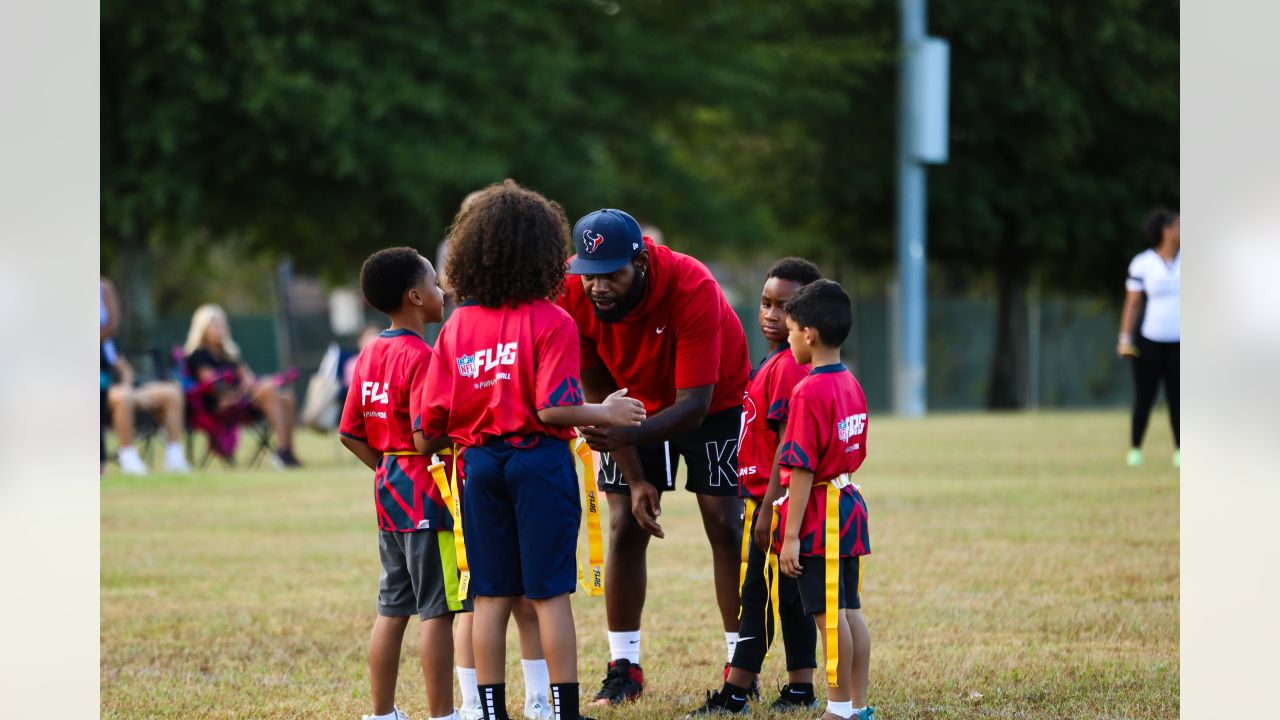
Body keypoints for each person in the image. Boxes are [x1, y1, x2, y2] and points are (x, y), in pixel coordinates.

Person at [418, 180, 645, 720]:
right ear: (546, 252)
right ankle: (564, 711)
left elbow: (430, 424)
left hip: (479, 466)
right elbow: (553, 409)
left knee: (490, 597)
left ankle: (492, 710)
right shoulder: (553, 320)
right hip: (538, 464)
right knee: (547, 595)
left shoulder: (457, 326)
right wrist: (607, 412)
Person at [557, 209, 751, 706]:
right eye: (589, 274)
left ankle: (739, 665)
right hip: (629, 402)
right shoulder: (571, 290)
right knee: (625, 524)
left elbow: (695, 405)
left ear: (640, 262)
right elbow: (599, 386)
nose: (598, 287)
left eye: (613, 274)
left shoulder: (693, 286)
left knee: (724, 522)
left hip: (712, 401)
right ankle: (624, 668)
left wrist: (617, 427)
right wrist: (636, 475)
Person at [686, 258, 824, 716]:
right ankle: (801, 687)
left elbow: (788, 443)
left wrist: (766, 509)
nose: (769, 314)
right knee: (789, 596)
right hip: (783, 502)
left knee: (757, 597)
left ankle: (735, 693)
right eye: (765, 303)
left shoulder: (787, 368)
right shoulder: (778, 360)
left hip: (775, 502)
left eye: (783, 307)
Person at [338, 247, 466, 720]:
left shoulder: (371, 352)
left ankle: (382, 714)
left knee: (392, 608)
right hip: (428, 496)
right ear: (415, 296)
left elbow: (349, 432)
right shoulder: (423, 356)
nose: (443, 291)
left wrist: (387, 466)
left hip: (390, 495)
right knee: (438, 611)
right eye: (435, 283)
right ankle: (443, 715)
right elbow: (424, 437)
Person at [774, 279, 873, 720]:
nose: (789, 338)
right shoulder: (850, 381)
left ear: (809, 335)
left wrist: (790, 535)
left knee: (828, 618)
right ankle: (857, 704)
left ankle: (838, 709)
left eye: (792, 331)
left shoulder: (808, 390)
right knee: (849, 610)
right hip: (849, 504)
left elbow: (801, 468)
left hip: (821, 515)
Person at [184, 303, 302, 468]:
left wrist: (254, 385)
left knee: (287, 397)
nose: (220, 328)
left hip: (243, 400)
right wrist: (244, 390)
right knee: (267, 390)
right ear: (203, 328)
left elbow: (249, 379)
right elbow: (214, 386)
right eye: (215, 324)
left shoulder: (230, 354)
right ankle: (282, 452)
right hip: (220, 406)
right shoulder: (198, 355)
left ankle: (288, 452)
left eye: (222, 324)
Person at [1117, 208, 1180, 467]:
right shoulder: (1143, 263)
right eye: (1179, 225)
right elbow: (1133, 304)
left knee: (1180, 398)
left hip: (1181, 342)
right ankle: (1135, 449)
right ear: (1166, 230)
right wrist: (1124, 338)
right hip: (1150, 340)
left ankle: (1181, 451)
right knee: (1145, 397)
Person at [102, 347, 192, 474]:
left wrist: (128, 388)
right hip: (101, 396)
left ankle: (175, 457)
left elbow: (126, 372)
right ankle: (128, 457)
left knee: (171, 392)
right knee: (124, 397)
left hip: (124, 391)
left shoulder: (107, 346)